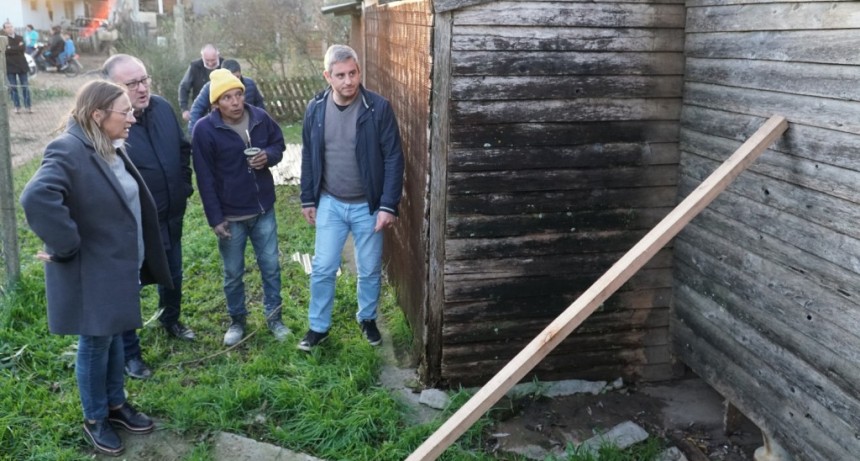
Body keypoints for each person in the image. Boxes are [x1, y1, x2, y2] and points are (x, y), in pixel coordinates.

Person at [19, 80, 171, 456]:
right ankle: (95, 418)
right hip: (94, 270)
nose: (132, 117)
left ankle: (116, 405)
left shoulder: (108, 147)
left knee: (115, 333)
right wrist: (68, 244)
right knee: (95, 342)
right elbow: (36, 197)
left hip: (120, 266)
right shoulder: (68, 150)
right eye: (125, 112)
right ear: (97, 115)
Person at [297, 44, 404, 351]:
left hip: (368, 206)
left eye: (353, 73)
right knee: (323, 267)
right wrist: (308, 198)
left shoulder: (378, 108)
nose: (348, 81)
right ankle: (318, 327)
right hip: (330, 201)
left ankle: (367, 318)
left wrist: (387, 205)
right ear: (327, 76)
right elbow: (309, 155)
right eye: (340, 75)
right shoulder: (315, 109)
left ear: (359, 71)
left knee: (369, 268)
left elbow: (394, 158)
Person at [102, 54, 196, 380]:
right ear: (112, 88)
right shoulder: (108, 126)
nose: (142, 88)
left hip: (170, 215)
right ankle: (130, 354)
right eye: (132, 84)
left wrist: (183, 186)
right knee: (128, 287)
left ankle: (170, 319)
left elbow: (183, 150)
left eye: (145, 80)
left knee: (173, 272)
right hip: (133, 227)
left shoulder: (163, 108)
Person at [191, 69, 289, 346]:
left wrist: (267, 156)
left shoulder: (260, 118)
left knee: (270, 267)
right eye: (227, 97)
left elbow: (278, 144)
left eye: (239, 94)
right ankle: (237, 321)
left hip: (262, 210)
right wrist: (215, 218)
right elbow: (205, 177)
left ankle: (275, 318)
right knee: (233, 273)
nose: (235, 102)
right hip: (230, 216)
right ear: (215, 103)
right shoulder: (205, 130)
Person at [188, 59, 265, 133]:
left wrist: (261, 125)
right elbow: (196, 110)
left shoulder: (250, 84)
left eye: (237, 77)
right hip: (222, 131)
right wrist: (196, 134)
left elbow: (259, 105)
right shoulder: (210, 87)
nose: (234, 81)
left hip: (248, 129)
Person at [178, 44, 223, 123]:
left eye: (213, 60)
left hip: (222, 111)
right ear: (202, 57)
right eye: (207, 60)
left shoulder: (224, 65)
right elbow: (184, 87)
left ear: (218, 55)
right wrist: (184, 109)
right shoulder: (195, 66)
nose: (210, 63)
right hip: (200, 111)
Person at [3, 21, 32, 114]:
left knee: (25, 86)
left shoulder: (20, 37)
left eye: (11, 26)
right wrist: (16, 48)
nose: (10, 28)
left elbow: (22, 49)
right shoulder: (3, 40)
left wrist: (11, 48)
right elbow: (5, 51)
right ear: (4, 29)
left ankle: (28, 107)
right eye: (7, 27)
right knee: (13, 87)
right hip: (10, 67)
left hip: (22, 66)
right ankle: (17, 106)